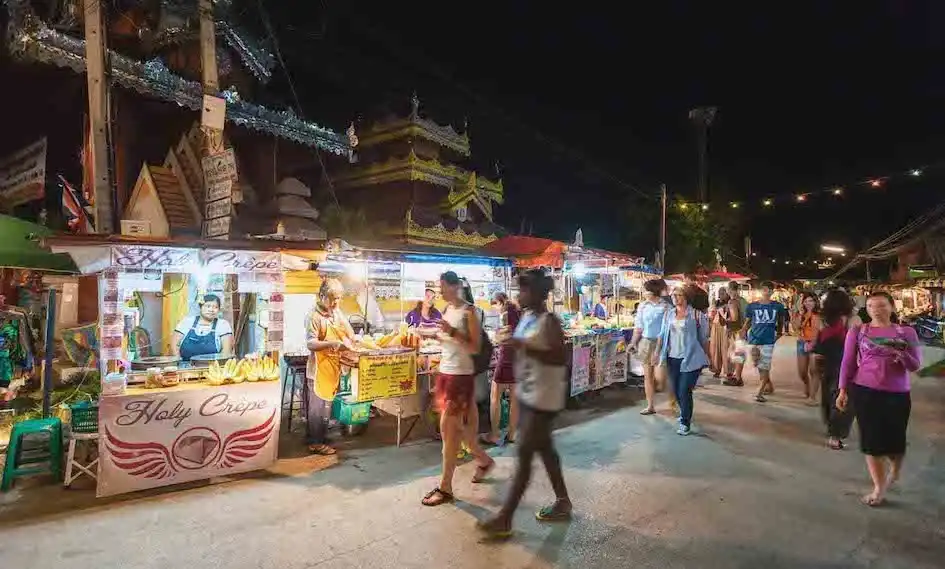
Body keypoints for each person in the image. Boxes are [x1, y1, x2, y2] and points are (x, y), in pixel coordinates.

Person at [477, 269, 571, 538]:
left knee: (525, 456)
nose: (519, 295)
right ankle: (563, 501)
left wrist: (522, 345)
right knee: (546, 451)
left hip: (544, 398)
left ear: (536, 293)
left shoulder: (549, 321)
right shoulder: (527, 317)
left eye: (523, 290)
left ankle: (505, 517)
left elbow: (559, 357)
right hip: (529, 393)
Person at [836, 291, 920, 507]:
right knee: (870, 441)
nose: (876, 310)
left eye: (882, 305)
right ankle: (879, 488)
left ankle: (896, 469)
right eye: (871, 306)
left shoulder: (906, 332)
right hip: (865, 390)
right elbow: (847, 362)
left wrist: (901, 354)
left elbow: (915, 365)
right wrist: (842, 390)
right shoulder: (858, 331)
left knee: (895, 441)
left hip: (897, 392)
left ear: (892, 307)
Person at [422, 271, 494, 506]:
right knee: (466, 434)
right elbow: (450, 340)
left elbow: (474, 347)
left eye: (442, 287)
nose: (440, 291)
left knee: (449, 432)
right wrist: (438, 336)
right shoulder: (447, 310)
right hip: (447, 373)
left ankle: (445, 488)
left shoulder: (469, 312)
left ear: (455, 287)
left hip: (460, 377)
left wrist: (451, 332)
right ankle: (484, 461)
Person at [304, 279, 356, 455]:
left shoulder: (336, 312)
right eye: (332, 299)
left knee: (326, 407)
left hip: (332, 367)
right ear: (322, 296)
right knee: (317, 409)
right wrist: (333, 343)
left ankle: (319, 438)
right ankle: (316, 443)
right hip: (318, 370)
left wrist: (349, 337)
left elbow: (349, 332)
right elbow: (310, 343)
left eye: (338, 299)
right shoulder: (314, 316)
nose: (335, 303)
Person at [657, 286, 710, 436]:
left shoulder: (697, 315)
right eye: (673, 295)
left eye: (679, 295)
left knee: (684, 390)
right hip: (672, 357)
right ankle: (685, 413)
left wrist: (708, 356)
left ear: (686, 297)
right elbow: (662, 334)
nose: (675, 298)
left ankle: (685, 421)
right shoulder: (669, 314)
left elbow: (704, 339)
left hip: (691, 358)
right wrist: (657, 352)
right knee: (676, 390)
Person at [812, 289, 855, 451]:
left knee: (829, 397)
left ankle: (832, 428)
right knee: (843, 398)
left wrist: (815, 363)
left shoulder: (823, 321)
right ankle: (835, 434)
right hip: (846, 364)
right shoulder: (852, 320)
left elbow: (818, 344)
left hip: (827, 363)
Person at [741, 281, 787, 403]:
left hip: (768, 340)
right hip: (754, 338)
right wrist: (743, 330)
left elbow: (781, 320)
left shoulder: (778, 306)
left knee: (764, 366)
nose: (767, 292)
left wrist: (779, 333)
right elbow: (748, 321)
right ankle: (769, 384)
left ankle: (759, 392)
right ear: (761, 291)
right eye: (765, 289)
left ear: (772, 292)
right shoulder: (752, 306)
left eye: (770, 289)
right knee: (757, 364)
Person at [484, 292, 520, 445]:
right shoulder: (518, 310)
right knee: (515, 398)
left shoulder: (506, 312)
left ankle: (494, 434)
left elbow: (507, 334)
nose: (496, 310)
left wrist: (496, 337)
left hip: (507, 357)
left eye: (495, 306)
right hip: (519, 358)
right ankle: (512, 434)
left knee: (495, 395)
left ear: (499, 302)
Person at [630, 278, 669, 415]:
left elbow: (666, 329)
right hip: (646, 342)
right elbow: (638, 327)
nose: (644, 293)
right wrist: (633, 342)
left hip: (662, 343)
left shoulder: (665, 306)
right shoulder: (642, 306)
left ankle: (673, 398)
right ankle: (650, 405)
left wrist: (659, 348)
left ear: (653, 292)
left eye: (646, 290)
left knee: (660, 379)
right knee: (648, 376)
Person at [171, 294, 234, 360]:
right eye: (208, 306)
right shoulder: (187, 322)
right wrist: (178, 362)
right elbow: (174, 345)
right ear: (200, 307)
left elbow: (226, 351)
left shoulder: (223, 324)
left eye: (215, 307)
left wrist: (217, 365)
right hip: (185, 364)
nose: (211, 310)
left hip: (212, 365)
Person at [792, 292, 822, 404]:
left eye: (811, 301)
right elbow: (795, 328)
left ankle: (812, 397)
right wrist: (799, 314)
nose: (808, 303)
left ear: (815, 302)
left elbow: (821, 330)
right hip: (802, 342)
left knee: (814, 370)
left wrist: (814, 343)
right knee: (802, 372)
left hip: (816, 343)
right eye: (805, 301)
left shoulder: (820, 314)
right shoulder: (800, 314)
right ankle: (807, 384)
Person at [722, 281, 749, 386]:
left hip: (735, 331)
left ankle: (737, 378)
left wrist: (724, 317)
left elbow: (734, 318)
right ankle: (738, 376)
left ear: (729, 290)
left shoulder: (732, 302)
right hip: (743, 330)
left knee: (734, 354)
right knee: (740, 354)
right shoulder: (743, 301)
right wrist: (745, 328)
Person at [708, 288, 732, 379]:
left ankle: (728, 371)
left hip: (725, 327)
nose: (721, 295)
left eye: (722, 293)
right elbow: (711, 315)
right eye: (720, 293)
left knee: (726, 349)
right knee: (715, 348)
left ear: (726, 294)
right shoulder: (716, 302)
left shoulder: (730, 303)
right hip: (716, 326)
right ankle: (717, 370)